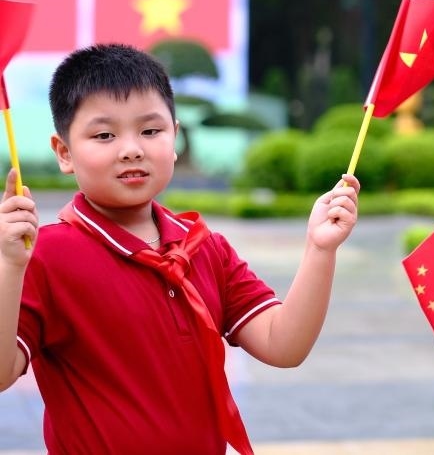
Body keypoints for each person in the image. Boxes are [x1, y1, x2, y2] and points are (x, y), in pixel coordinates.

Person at [0, 43, 360, 455]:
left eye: (150, 131)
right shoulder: (46, 255)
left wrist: (319, 249)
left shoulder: (205, 248)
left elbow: (284, 345)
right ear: (64, 152)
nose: (132, 149)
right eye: (104, 135)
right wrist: (9, 267)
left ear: (174, 136)